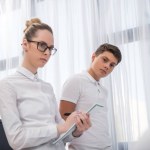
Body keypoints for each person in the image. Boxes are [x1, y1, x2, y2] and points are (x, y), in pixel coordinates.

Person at [0, 18, 91, 150]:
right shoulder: (7, 85)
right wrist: (60, 128)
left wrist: (77, 129)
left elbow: (63, 135)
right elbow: (16, 140)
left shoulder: (47, 87)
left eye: (50, 48)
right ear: (25, 44)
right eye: (42, 45)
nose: (47, 53)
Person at [59, 43, 122, 150]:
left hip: (106, 146)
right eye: (104, 60)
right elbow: (63, 116)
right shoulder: (76, 80)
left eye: (112, 65)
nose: (107, 66)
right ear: (93, 57)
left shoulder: (104, 90)